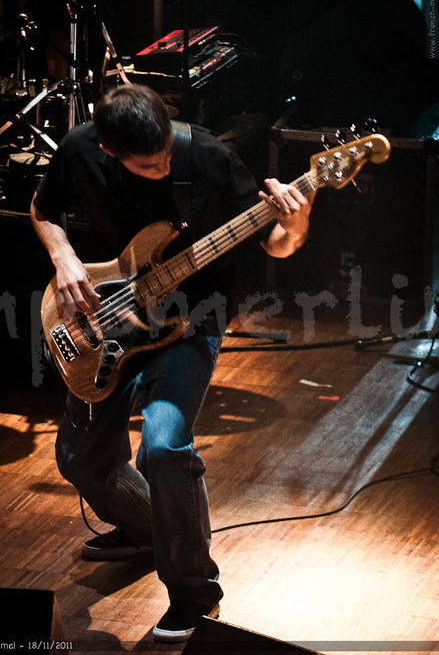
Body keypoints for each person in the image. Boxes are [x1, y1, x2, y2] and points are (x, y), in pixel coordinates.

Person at [30, 84, 312, 643]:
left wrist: (297, 222)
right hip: (108, 314)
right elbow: (43, 209)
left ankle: (193, 592)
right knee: (80, 460)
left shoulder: (208, 157)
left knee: (163, 448)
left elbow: (277, 243)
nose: (161, 168)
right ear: (108, 151)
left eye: (164, 156)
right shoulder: (80, 148)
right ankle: (148, 529)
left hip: (190, 321)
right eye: (145, 165)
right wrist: (64, 257)